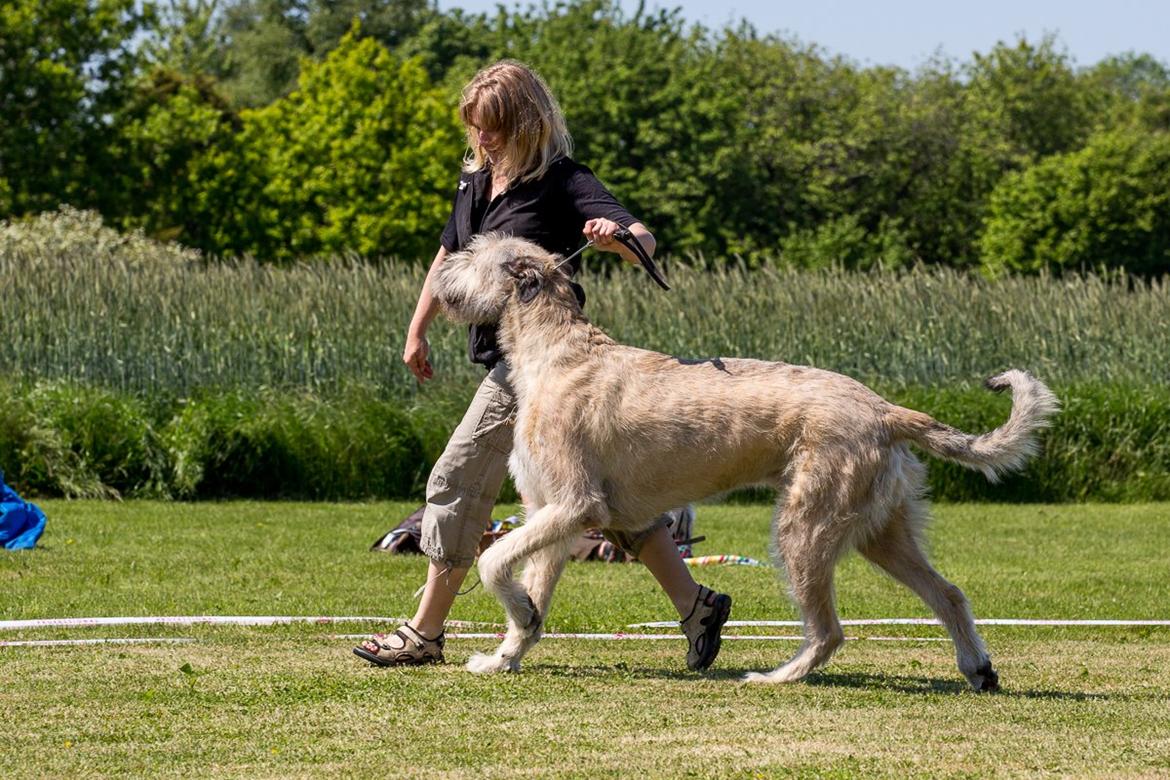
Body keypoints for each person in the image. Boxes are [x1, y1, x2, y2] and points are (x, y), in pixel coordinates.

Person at [354, 60, 731, 672]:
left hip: (540, 368)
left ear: (526, 122)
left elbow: (643, 237)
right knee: (604, 501)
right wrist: (416, 327)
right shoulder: (477, 179)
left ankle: (424, 633)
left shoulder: (562, 180)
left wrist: (615, 234)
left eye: (492, 129)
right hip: (510, 362)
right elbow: (450, 251)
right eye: (475, 128)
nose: (481, 141)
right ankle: (696, 605)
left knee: (457, 480)